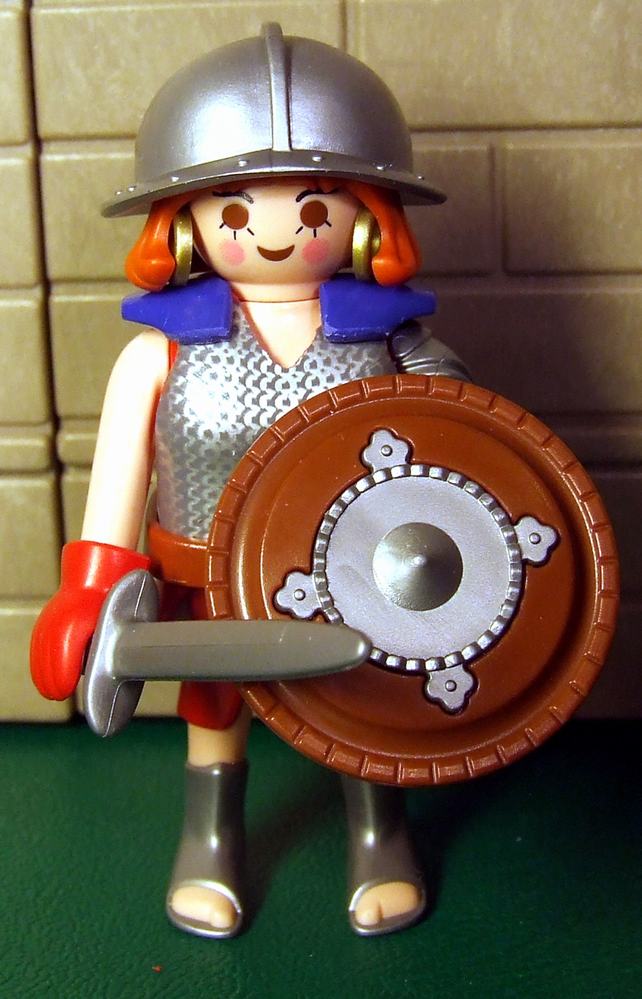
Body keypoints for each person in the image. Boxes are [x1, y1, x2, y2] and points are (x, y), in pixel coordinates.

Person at [30, 24, 468, 939]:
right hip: (204, 575)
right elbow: (122, 475)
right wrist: (90, 585)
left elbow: (463, 466)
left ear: (366, 216)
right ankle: (209, 836)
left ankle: (379, 832)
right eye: (233, 212)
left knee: (363, 700)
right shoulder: (161, 353)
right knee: (213, 703)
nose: (273, 233)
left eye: (313, 209)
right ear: (183, 222)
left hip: (356, 572)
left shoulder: (392, 348)